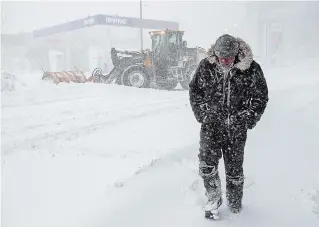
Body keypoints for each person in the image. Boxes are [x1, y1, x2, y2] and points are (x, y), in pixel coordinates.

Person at [189, 34, 269, 219]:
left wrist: (247, 119)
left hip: (236, 130)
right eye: (221, 58)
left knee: (234, 170)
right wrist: (203, 114)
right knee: (207, 166)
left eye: (229, 58)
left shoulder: (251, 69)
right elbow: (195, 91)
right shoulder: (206, 66)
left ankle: (235, 203)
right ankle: (213, 199)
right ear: (215, 54)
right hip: (211, 127)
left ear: (236, 54)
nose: (224, 62)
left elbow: (260, 97)